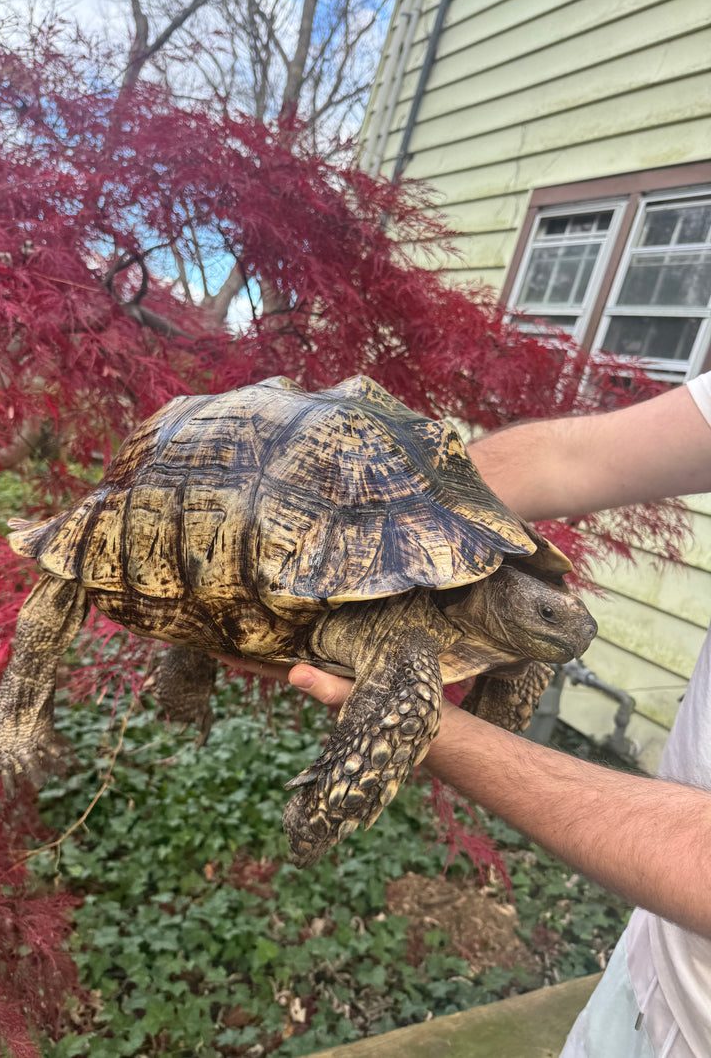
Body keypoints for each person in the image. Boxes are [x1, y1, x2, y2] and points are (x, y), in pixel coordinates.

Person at [228, 374, 711, 1057]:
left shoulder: (489, 639)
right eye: (547, 609)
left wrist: (444, 730)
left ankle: (318, 803)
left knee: (512, 657)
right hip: (642, 975)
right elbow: (568, 457)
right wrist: (379, 497)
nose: (575, 628)